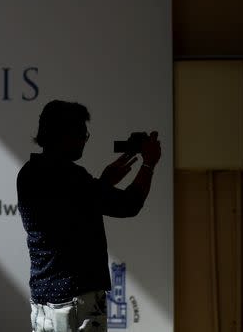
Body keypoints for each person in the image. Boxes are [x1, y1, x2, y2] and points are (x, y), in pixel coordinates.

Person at [17, 100, 161, 332]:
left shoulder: (29, 173)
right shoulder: (70, 176)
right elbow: (129, 205)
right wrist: (149, 165)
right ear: (64, 135)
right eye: (82, 134)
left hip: (44, 299)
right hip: (76, 301)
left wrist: (102, 184)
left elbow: (71, 212)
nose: (84, 140)